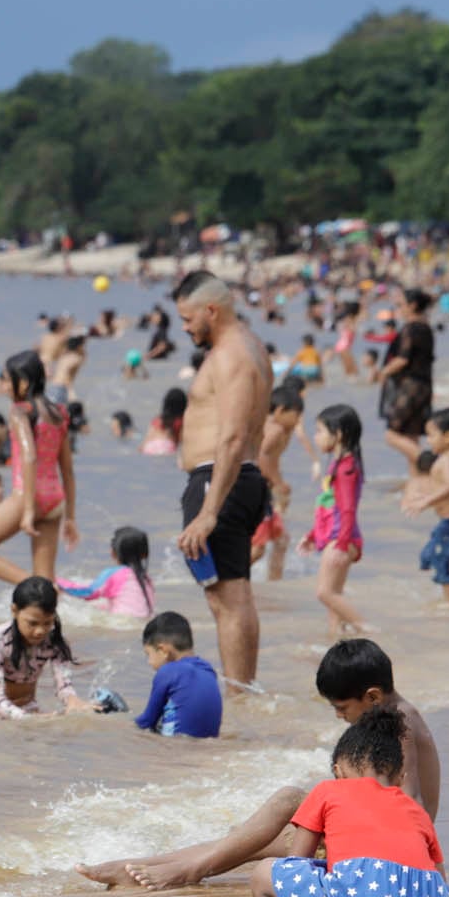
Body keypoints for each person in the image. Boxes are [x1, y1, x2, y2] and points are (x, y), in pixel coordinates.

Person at [77, 638, 441, 889]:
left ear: (372, 696)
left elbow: (412, 802)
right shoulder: (395, 715)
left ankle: (175, 870)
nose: (339, 717)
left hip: (381, 849)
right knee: (244, 839)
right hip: (376, 838)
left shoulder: (401, 722)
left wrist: (419, 870)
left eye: (342, 708)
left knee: (285, 803)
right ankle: (143, 866)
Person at [251, 709, 449, 897]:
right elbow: (438, 883)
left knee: (263, 875)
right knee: (404, 891)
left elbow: (295, 864)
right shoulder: (416, 811)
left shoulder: (327, 791)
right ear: (401, 776)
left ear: (338, 770)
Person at [172, 272, 273, 693]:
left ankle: (238, 693)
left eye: (187, 318)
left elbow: (232, 435)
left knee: (226, 601)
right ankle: (244, 691)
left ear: (211, 310)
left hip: (220, 480)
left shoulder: (230, 355)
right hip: (240, 477)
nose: (184, 328)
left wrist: (209, 511)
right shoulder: (253, 348)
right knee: (237, 596)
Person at [0, 352, 76, 586]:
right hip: (55, 500)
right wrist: (71, 517)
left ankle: (38, 588)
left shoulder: (18, 411)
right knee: (46, 575)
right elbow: (67, 470)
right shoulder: (59, 413)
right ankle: (45, 589)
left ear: (23, 383)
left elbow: (30, 456)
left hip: (26, 496)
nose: (4, 385)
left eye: (7, 380)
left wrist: (28, 510)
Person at [0, 576, 92, 719]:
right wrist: (30, 719)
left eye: (47, 623)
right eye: (32, 623)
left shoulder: (55, 643)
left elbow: (63, 686)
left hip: (27, 706)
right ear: (14, 610)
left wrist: (73, 701)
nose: (40, 631)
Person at [297, 403, 367, 637]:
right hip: (338, 537)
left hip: (341, 538)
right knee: (334, 599)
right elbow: (329, 508)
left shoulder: (346, 469)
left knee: (325, 593)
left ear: (338, 435)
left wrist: (342, 544)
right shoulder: (339, 464)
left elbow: (347, 510)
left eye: (319, 431)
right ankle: (336, 640)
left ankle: (370, 632)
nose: (315, 437)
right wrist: (312, 535)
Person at [403, 408, 449, 605]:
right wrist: (423, 495)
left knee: (440, 562)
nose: (428, 441)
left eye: (431, 435)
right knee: (432, 556)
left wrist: (426, 501)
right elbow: (444, 486)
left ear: (448, 436)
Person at [254, 384, 313, 580]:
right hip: (258, 491)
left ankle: (273, 582)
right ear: (279, 411)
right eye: (296, 415)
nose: (298, 420)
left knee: (281, 540)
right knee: (258, 548)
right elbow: (262, 456)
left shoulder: (273, 427)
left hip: (262, 491)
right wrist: (279, 482)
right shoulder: (276, 429)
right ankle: (231, 581)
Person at [133, 611, 223, 738]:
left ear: (163, 650)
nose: (149, 662)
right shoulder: (208, 670)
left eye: (149, 654)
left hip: (175, 747)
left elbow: (146, 723)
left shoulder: (168, 672)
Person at [372, 288, 436, 464]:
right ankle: (418, 478)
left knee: (392, 435)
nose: (398, 309)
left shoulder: (410, 328)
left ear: (412, 305)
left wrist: (382, 372)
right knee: (411, 436)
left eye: (401, 305)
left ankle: (431, 463)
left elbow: (402, 359)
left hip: (410, 386)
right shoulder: (426, 327)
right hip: (425, 385)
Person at [59, 525, 155, 618]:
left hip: (120, 623)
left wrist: (58, 582)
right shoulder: (146, 579)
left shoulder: (115, 574)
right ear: (144, 554)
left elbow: (88, 592)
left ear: (113, 553)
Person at [141, 388, 186, 457]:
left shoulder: (157, 419)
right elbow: (181, 441)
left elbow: (147, 439)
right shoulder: (180, 421)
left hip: (150, 447)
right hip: (167, 446)